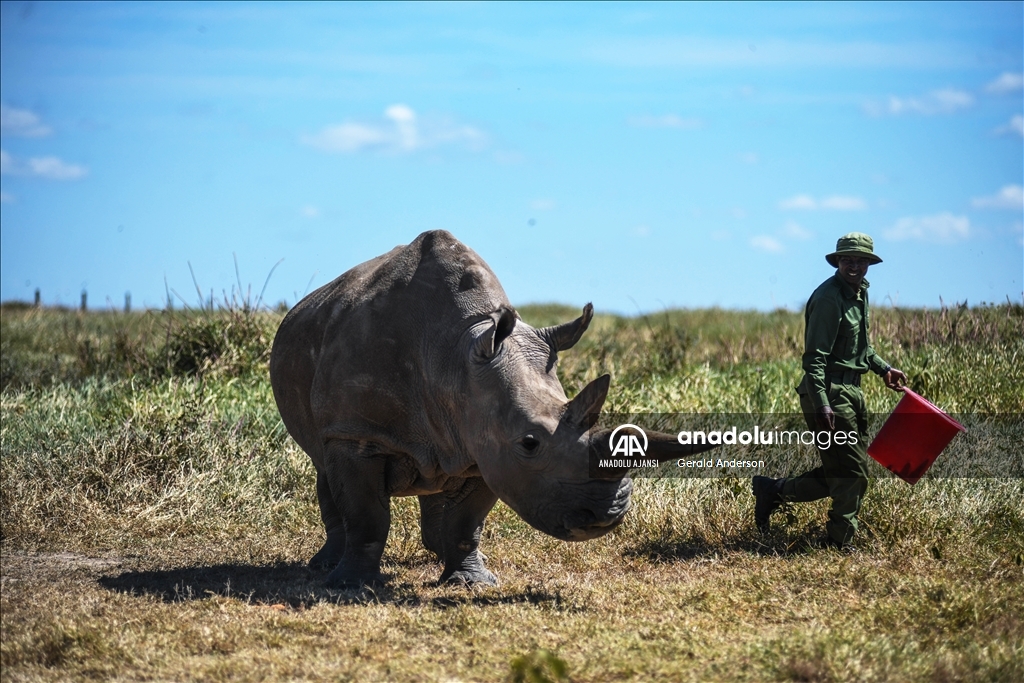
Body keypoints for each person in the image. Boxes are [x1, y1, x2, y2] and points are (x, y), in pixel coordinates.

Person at [753, 232, 907, 548]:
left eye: (861, 260)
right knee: (852, 474)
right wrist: (823, 403)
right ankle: (838, 543)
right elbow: (814, 358)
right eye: (847, 259)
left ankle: (774, 491)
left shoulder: (859, 293)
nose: (854, 265)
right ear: (837, 261)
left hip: (852, 393)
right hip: (829, 395)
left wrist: (884, 369)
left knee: (844, 470)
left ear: (869, 263)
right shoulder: (828, 298)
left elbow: (862, 349)